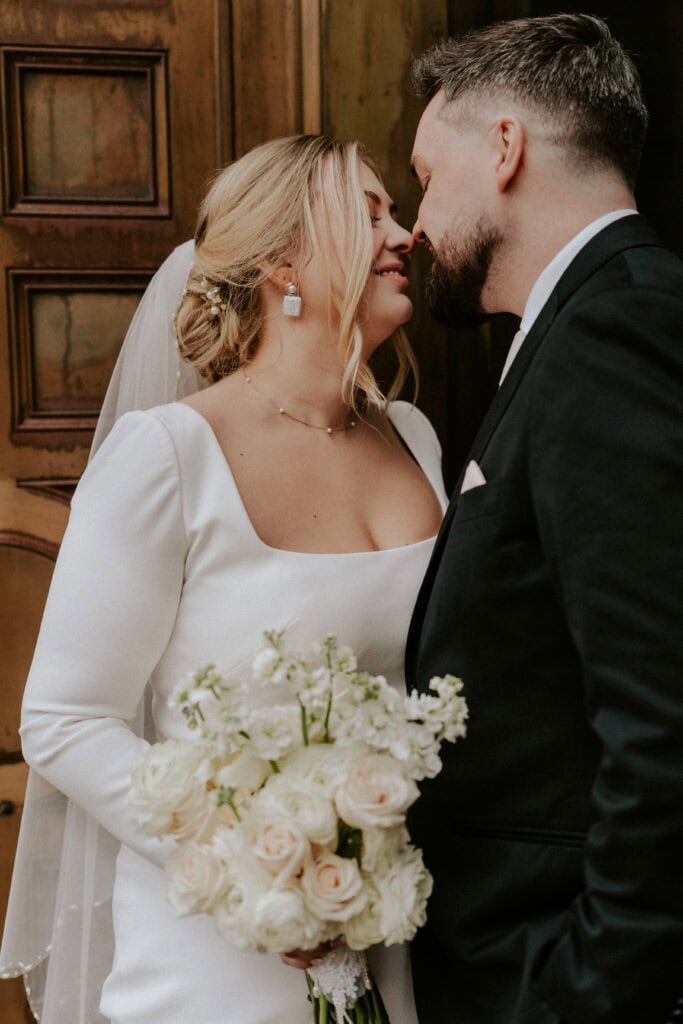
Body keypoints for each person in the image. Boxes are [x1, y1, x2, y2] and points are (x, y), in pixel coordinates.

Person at [0, 135, 448, 1024]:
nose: (407, 234)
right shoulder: (167, 456)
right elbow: (62, 719)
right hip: (222, 949)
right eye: (370, 214)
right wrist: (256, 863)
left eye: (396, 211)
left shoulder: (415, 439)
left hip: (400, 937)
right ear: (283, 260)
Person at [404, 12, 683, 1024]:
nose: (415, 223)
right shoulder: (587, 319)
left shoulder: (612, 327)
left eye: (427, 176)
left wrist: (592, 989)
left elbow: (658, 706)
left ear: (505, 147)